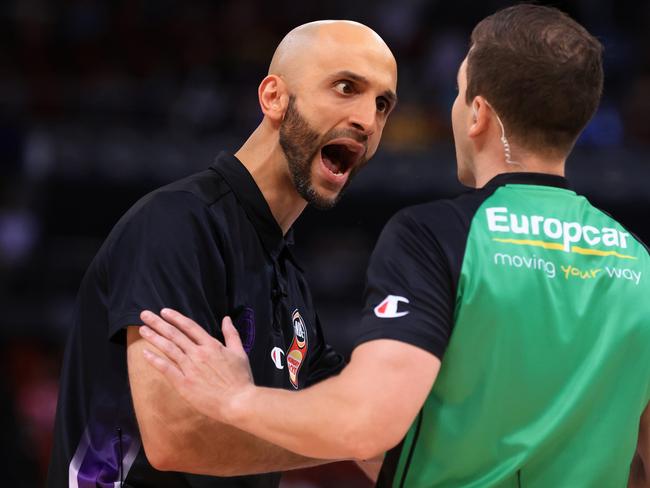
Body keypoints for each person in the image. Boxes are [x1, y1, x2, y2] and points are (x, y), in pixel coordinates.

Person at [138, 5, 650, 487]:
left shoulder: (438, 236)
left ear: (478, 114)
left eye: (456, 93)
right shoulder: (638, 263)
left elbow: (367, 424)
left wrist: (237, 399)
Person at [47, 20, 398, 487]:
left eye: (382, 104)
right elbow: (174, 440)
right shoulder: (176, 225)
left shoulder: (288, 278)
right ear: (274, 97)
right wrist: (331, 434)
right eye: (345, 87)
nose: (367, 120)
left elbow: (371, 435)